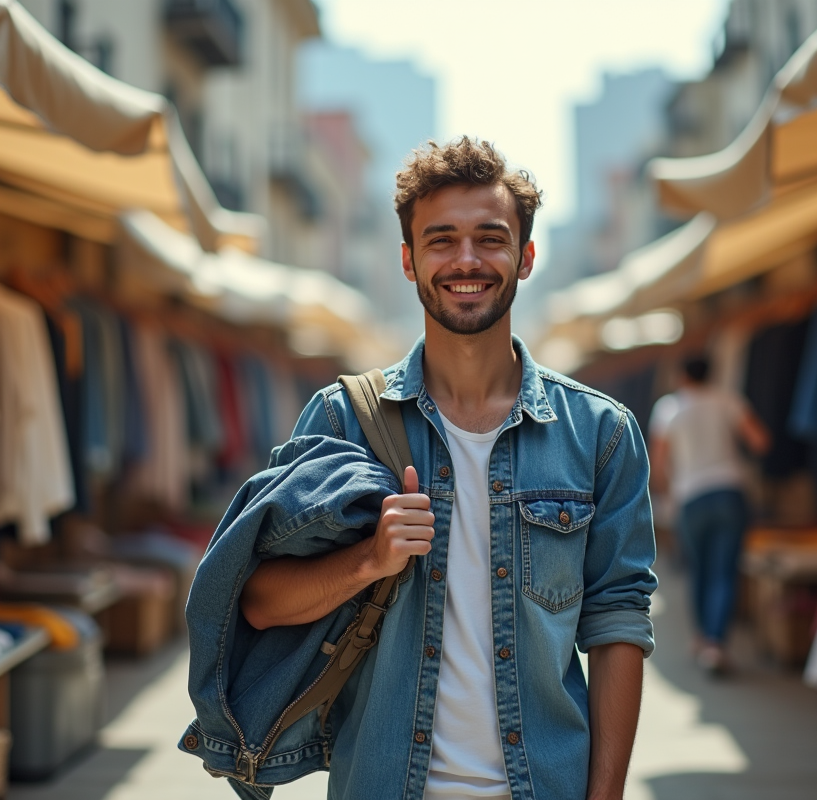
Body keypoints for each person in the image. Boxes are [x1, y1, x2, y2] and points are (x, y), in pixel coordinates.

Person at [238, 137, 658, 800]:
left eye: (490, 238)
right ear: (409, 260)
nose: (467, 260)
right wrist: (367, 561)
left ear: (526, 256)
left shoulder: (600, 434)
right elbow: (260, 603)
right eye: (442, 240)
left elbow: (619, 627)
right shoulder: (343, 421)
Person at [648, 354, 769, 674]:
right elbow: (759, 441)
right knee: (724, 572)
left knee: (699, 571)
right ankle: (716, 643)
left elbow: (658, 461)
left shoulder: (669, 408)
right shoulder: (728, 400)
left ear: (682, 376)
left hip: (691, 497)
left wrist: (664, 494)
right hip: (730, 491)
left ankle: (703, 639)